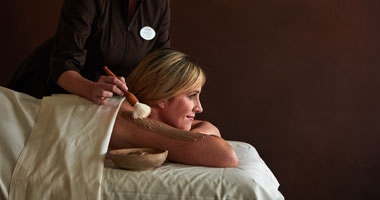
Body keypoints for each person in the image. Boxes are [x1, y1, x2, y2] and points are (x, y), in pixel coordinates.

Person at [8, 0, 170, 105]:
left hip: (110, 99)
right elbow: (62, 65)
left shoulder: (159, 4)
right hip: (49, 88)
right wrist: (92, 89)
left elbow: (161, 62)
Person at [109, 49, 238, 167]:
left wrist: (189, 137)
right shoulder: (127, 117)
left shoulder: (154, 119)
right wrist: (187, 141)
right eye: (192, 96)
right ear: (161, 98)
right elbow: (226, 156)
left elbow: (208, 126)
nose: (199, 108)